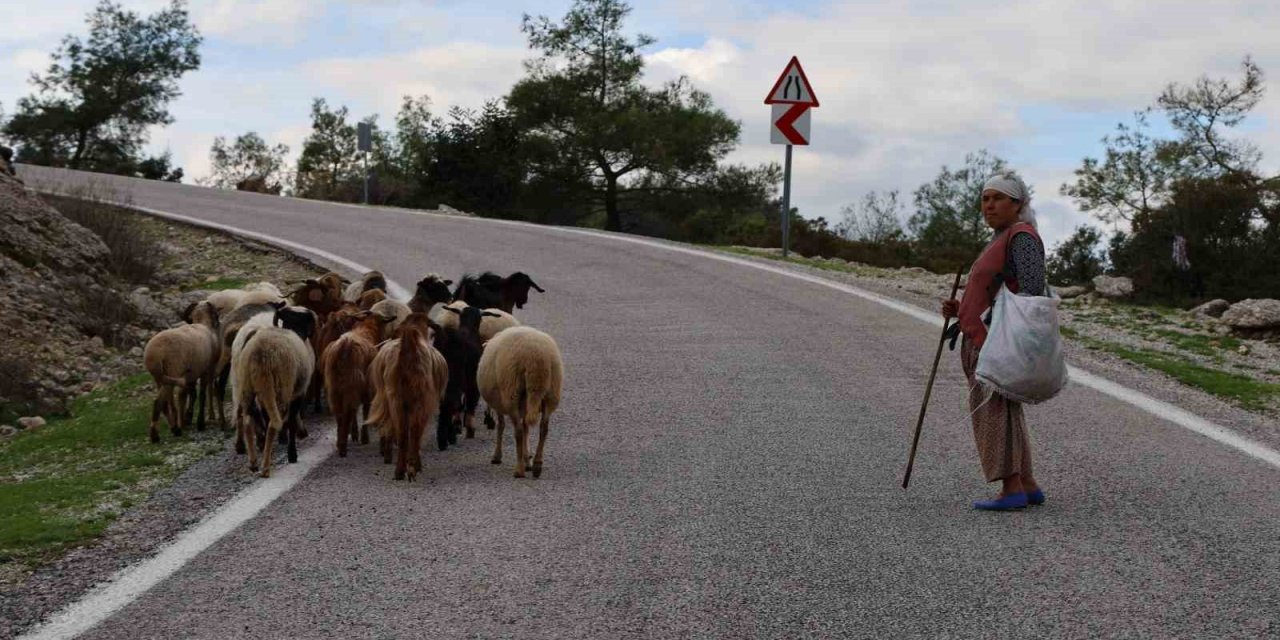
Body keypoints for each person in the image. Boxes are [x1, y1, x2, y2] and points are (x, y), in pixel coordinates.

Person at [941, 172, 1046, 511]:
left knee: (992, 411)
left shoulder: (1022, 238)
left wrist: (1008, 334)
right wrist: (961, 308)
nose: (989, 205)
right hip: (983, 333)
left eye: (998, 198)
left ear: (1018, 204)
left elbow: (1030, 293)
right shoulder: (1004, 238)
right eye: (985, 199)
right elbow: (999, 289)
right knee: (1004, 408)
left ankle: (1010, 488)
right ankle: (1026, 483)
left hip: (994, 341)